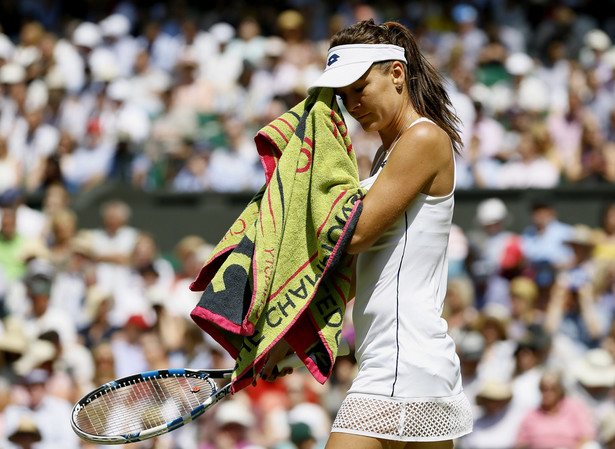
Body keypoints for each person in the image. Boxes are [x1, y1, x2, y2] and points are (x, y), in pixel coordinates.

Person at [263, 19, 473, 448]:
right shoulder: (384, 154)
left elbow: (351, 237)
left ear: (396, 74)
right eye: (343, 97)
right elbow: (363, 274)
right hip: (403, 357)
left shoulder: (423, 138)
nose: (352, 105)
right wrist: (287, 339)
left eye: (360, 89)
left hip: (404, 360)